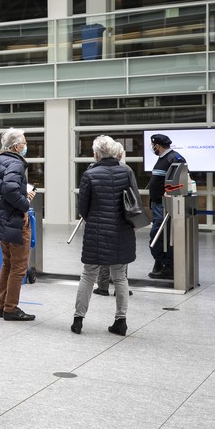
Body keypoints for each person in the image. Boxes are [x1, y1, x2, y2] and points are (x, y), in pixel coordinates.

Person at [71, 135, 137, 336]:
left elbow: (83, 208)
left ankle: (78, 320)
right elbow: (134, 203)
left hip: (96, 232)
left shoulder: (90, 174)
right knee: (120, 277)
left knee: (88, 274)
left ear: (96, 153)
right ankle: (121, 321)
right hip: (121, 231)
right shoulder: (126, 171)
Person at [0, 128, 37, 321]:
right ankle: (11, 308)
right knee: (19, 267)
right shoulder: (16, 163)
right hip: (15, 221)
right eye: (24, 143)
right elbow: (9, 189)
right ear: (16, 146)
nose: (25, 147)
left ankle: (3, 305)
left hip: (1, 221)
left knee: (7, 263)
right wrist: (25, 203)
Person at [93, 142, 132, 297]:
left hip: (101, 219)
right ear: (120, 155)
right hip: (121, 219)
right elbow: (133, 196)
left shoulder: (93, 170)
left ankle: (102, 287)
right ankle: (121, 288)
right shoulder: (126, 170)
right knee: (123, 254)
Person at [146, 133, 185, 280]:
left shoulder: (174, 158)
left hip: (165, 205)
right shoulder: (162, 159)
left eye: (153, 145)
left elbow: (180, 181)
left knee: (160, 235)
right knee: (160, 236)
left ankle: (167, 265)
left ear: (157, 145)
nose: (152, 148)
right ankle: (161, 263)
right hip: (157, 204)